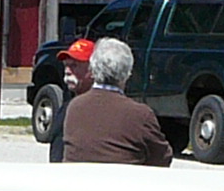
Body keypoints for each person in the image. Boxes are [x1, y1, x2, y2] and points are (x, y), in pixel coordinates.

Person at [61, 36, 172, 167]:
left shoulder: (74, 107)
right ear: (127, 74)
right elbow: (163, 157)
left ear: (93, 69)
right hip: (122, 184)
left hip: (77, 182)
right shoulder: (141, 114)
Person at [46, 36, 95, 164]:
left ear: (93, 70)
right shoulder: (66, 108)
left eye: (74, 66)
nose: (67, 71)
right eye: (66, 65)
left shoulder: (102, 106)